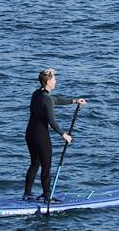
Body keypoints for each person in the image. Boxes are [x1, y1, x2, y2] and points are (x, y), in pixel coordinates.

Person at [24, 68, 86, 203]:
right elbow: (52, 121)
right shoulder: (47, 98)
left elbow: (55, 100)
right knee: (46, 166)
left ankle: (27, 194)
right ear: (48, 82)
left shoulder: (37, 94)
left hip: (30, 134)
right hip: (41, 136)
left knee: (34, 164)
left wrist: (74, 101)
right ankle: (47, 196)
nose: (56, 81)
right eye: (54, 79)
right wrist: (64, 135)